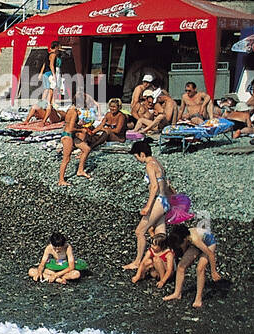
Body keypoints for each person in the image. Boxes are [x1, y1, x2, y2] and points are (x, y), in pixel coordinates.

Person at [123, 141, 174, 271]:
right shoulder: (158, 163)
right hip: (165, 201)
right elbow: (166, 183)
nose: (137, 159)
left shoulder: (149, 165)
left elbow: (154, 186)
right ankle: (166, 265)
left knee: (140, 231)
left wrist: (148, 206)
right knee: (160, 234)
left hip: (158, 201)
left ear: (142, 154)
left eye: (136, 157)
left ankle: (137, 262)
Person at [164, 223, 220, 308]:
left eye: (180, 244)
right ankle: (177, 293)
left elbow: (210, 254)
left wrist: (213, 271)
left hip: (209, 244)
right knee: (181, 266)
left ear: (185, 239)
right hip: (195, 245)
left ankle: (198, 298)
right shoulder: (183, 236)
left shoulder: (195, 239)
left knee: (200, 269)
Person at [73, 97, 128, 179]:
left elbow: (117, 130)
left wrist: (106, 129)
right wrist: (92, 132)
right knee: (91, 135)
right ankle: (83, 150)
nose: (112, 108)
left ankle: (91, 148)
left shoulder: (121, 116)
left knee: (106, 132)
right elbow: (100, 126)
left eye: (114, 107)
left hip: (118, 137)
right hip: (108, 135)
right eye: (111, 106)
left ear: (118, 107)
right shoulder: (108, 114)